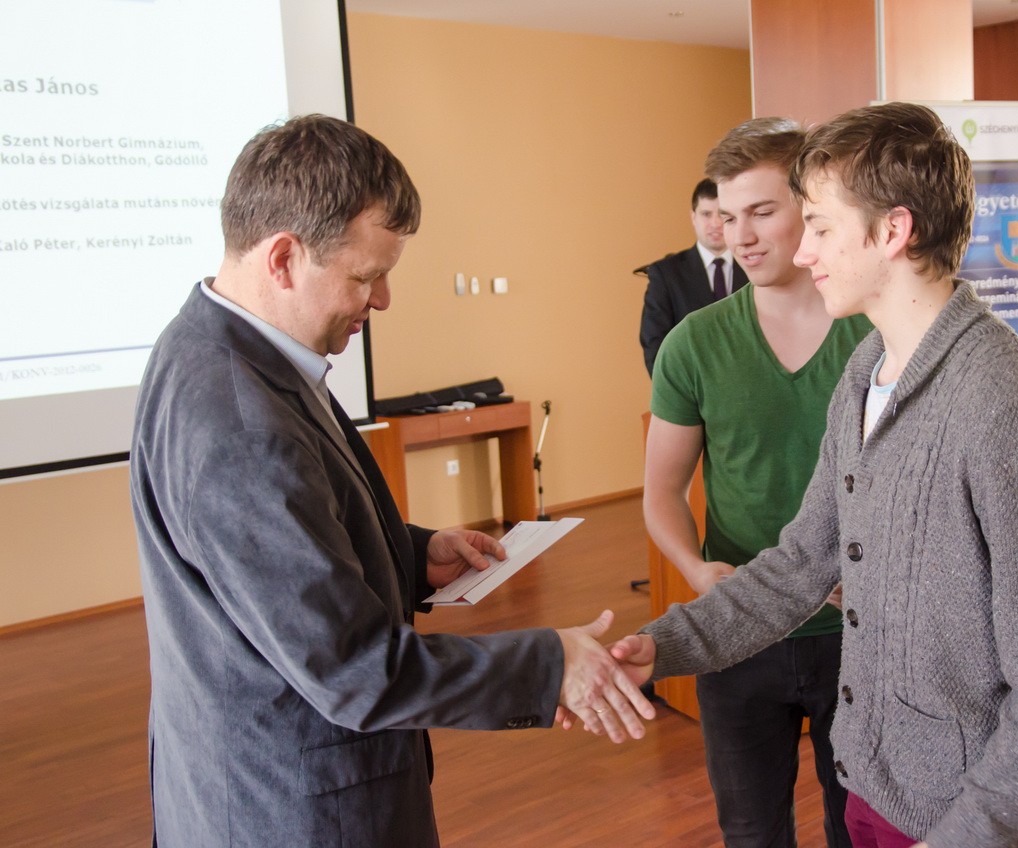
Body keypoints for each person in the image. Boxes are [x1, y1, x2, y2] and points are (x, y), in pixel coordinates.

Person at [129, 114, 653, 848]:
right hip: (293, 811)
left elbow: (280, 550)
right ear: (283, 258)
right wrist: (551, 664)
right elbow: (352, 669)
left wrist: (412, 555)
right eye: (366, 277)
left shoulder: (215, 344)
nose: (382, 301)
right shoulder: (242, 421)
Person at [613, 103, 1018, 848]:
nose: (803, 250)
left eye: (818, 226)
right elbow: (800, 562)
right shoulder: (867, 370)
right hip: (869, 785)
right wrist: (663, 646)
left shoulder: (1007, 410)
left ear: (892, 232)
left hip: (952, 819)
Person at [645, 117, 872, 848]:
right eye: (725, 215)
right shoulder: (692, 344)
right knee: (751, 833)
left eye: (761, 212)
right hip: (740, 629)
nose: (736, 236)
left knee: (858, 830)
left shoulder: (875, 335)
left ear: (810, 206)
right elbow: (661, 492)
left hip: (859, 634)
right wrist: (694, 570)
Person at [638, 178, 746, 375]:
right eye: (706, 214)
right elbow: (655, 345)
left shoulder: (754, 265)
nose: (715, 223)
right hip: (691, 388)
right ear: (693, 217)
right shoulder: (665, 274)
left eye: (722, 214)